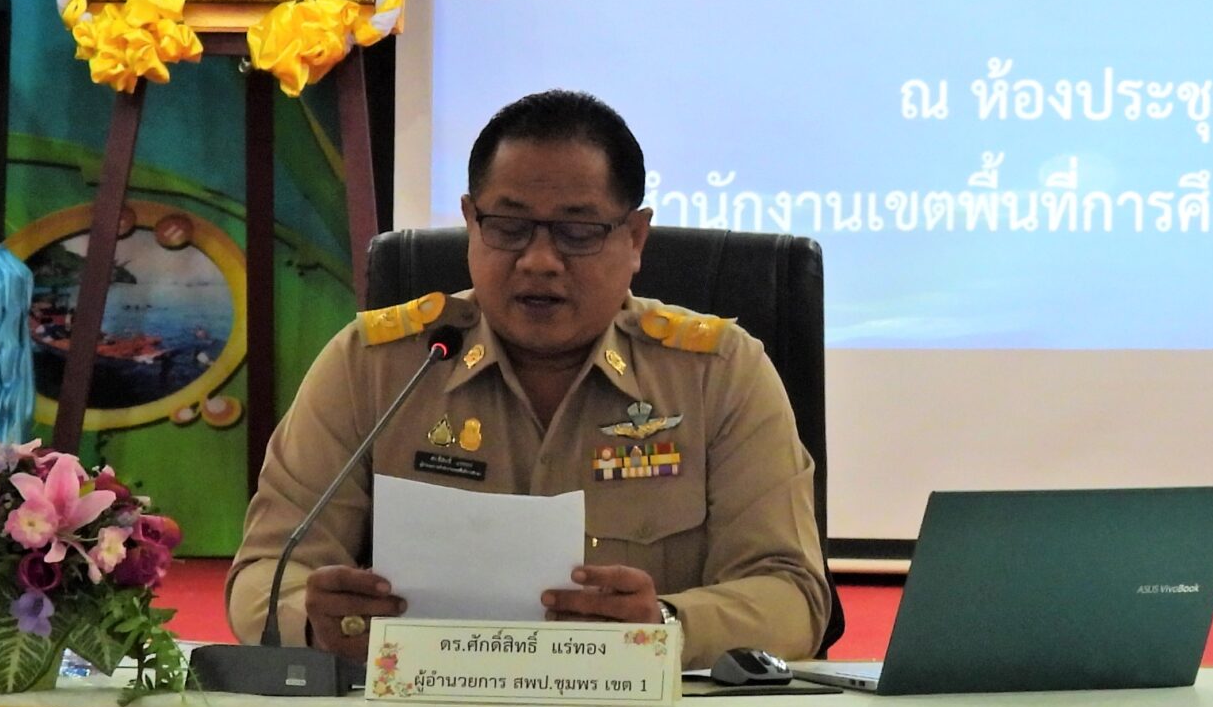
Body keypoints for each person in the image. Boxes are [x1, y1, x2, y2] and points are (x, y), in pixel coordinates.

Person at [225, 89, 832, 668]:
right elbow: (266, 572)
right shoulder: (375, 365)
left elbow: (792, 596)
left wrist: (664, 626)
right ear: (471, 221)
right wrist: (312, 623)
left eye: (577, 233)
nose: (539, 261)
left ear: (635, 238)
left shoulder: (717, 372)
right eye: (509, 228)